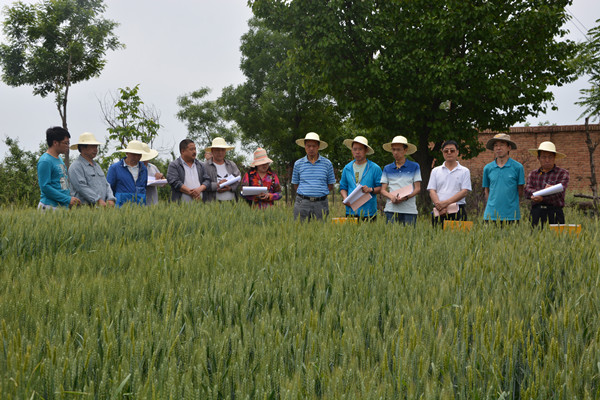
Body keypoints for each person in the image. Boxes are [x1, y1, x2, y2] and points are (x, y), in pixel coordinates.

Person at [291, 132, 336, 221]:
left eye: (314, 146)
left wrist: (319, 193)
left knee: (320, 231)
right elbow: (295, 184)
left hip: (321, 203)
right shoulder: (298, 164)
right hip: (302, 203)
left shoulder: (327, 164)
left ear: (318, 147)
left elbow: (330, 184)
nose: (311, 148)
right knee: (300, 230)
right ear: (305, 146)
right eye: (308, 146)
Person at [524, 141, 570, 227]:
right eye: (544, 157)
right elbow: (527, 191)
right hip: (536, 212)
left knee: (556, 238)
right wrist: (547, 192)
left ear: (554, 157)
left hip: (555, 212)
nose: (547, 160)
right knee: (534, 238)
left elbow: (560, 192)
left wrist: (541, 197)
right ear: (538, 158)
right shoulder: (533, 174)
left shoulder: (562, 173)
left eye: (550, 157)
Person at [482, 133, 525, 223]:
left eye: (502, 145)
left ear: (509, 147)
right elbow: (487, 190)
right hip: (491, 216)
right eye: (496, 145)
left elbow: (520, 190)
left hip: (511, 216)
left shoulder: (518, 167)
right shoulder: (487, 168)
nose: (498, 148)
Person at [427, 140, 472, 226]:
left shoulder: (465, 171)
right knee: (437, 237)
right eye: (446, 151)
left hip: (458, 210)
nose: (449, 153)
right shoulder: (435, 171)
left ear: (457, 152)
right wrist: (439, 206)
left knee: (459, 238)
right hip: (439, 211)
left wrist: (446, 203)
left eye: (452, 150)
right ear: (442, 153)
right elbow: (432, 190)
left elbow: (464, 192)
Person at [380, 136, 421, 225]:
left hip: (409, 210)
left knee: (409, 238)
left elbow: (417, 188)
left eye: (398, 150)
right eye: (393, 150)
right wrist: (392, 197)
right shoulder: (387, 168)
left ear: (405, 150)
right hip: (391, 209)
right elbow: (383, 190)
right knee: (391, 237)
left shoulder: (415, 166)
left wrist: (406, 197)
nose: (395, 152)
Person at [339, 136, 382, 221]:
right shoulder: (347, 168)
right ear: (351, 151)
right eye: (354, 149)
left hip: (369, 212)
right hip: (351, 211)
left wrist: (370, 189)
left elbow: (381, 188)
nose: (357, 152)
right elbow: (343, 187)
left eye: (360, 149)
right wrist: (345, 198)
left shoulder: (374, 168)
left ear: (366, 150)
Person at [37, 126, 81, 210]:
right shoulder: (45, 161)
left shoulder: (59, 159)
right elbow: (45, 187)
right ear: (55, 142)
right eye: (65, 143)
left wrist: (69, 199)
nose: (68, 146)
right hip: (49, 207)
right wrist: (67, 199)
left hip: (62, 206)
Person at [68, 132, 115, 207]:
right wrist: (98, 200)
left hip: (100, 208)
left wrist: (110, 198)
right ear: (83, 148)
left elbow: (106, 184)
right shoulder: (76, 166)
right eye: (92, 147)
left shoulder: (97, 166)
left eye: (96, 147)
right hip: (84, 209)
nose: (95, 150)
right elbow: (81, 187)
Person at [106, 140, 148, 207]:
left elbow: (144, 186)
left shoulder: (143, 169)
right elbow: (109, 188)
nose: (136, 157)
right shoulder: (115, 168)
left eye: (139, 154)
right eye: (133, 154)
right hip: (121, 207)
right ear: (127, 153)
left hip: (140, 208)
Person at [203, 137, 241, 202]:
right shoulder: (205, 166)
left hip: (231, 203)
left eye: (222, 150)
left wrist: (230, 188)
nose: (220, 152)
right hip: (213, 203)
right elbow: (202, 182)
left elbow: (238, 179)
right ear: (212, 151)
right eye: (217, 150)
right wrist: (217, 185)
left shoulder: (231, 164)